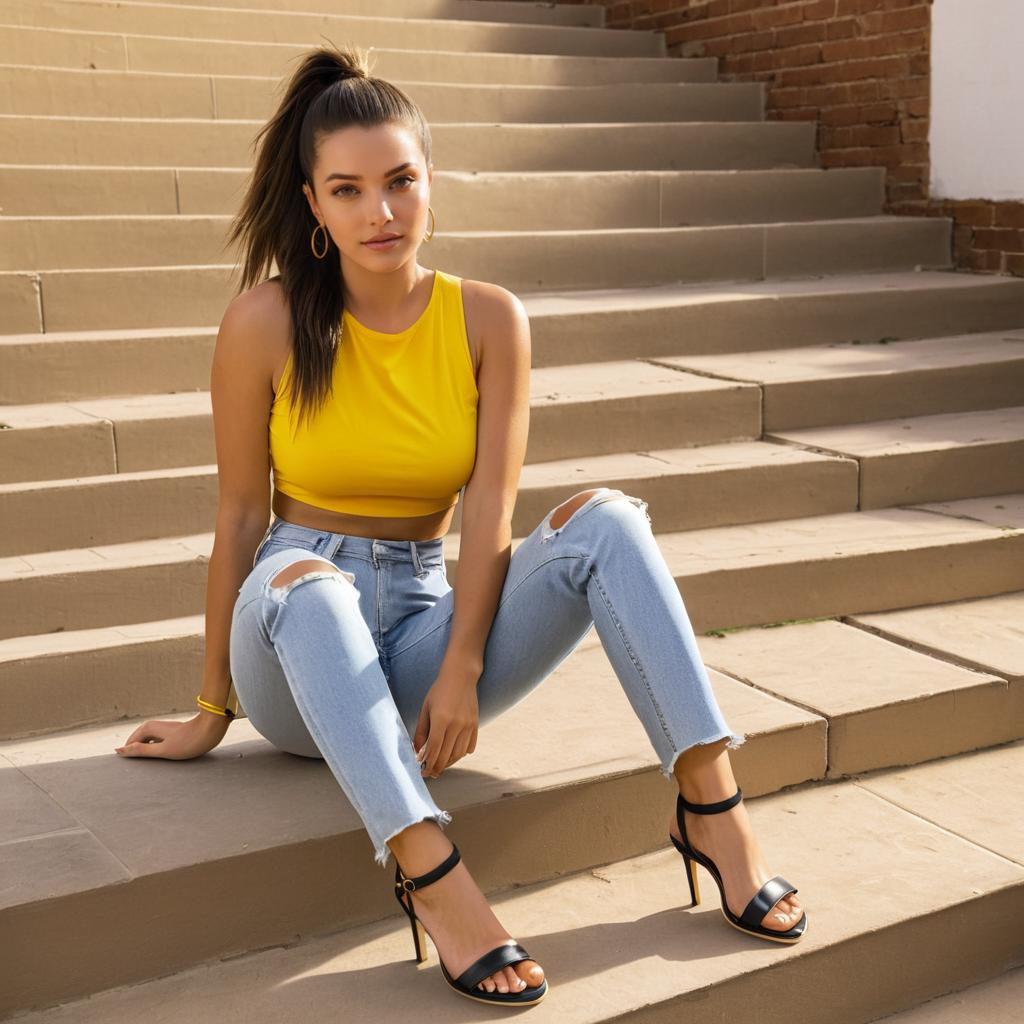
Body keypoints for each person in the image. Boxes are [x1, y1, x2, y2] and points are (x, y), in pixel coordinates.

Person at [114, 44, 805, 1007]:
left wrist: (462, 666)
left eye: (399, 182)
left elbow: (490, 513)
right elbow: (237, 518)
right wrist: (211, 709)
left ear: (431, 182)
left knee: (605, 521)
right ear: (313, 205)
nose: (380, 213)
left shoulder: (488, 320)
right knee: (306, 580)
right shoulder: (264, 322)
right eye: (348, 190)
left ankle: (713, 810)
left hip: (421, 626)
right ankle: (436, 882)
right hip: (290, 641)